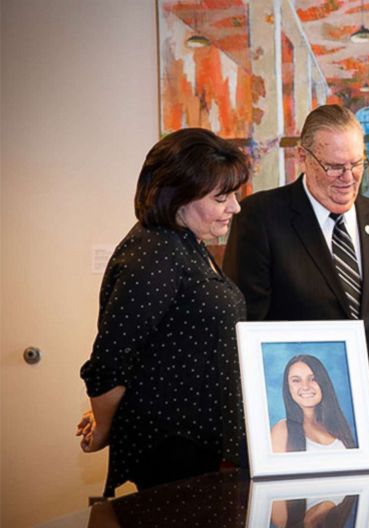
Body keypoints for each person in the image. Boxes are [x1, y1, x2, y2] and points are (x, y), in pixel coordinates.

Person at [75, 128, 250, 496]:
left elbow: (162, 350)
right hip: (174, 453)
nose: (234, 207)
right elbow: (108, 365)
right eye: (222, 198)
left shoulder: (187, 243)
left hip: (197, 447)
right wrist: (106, 427)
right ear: (178, 198)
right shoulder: (154, 254)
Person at [223, 105, 369, 396]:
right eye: (334, 166)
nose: (349, 177)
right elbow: (247, 327)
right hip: (295, 404)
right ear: (303, 157)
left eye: (356, 164)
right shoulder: (261, 218)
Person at [270, 354, 357, 452]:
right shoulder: (281, 431)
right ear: (288, 388)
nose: (305, 386)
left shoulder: (338, 425)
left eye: (313, 379)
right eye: (296, 380)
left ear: (323, 383)